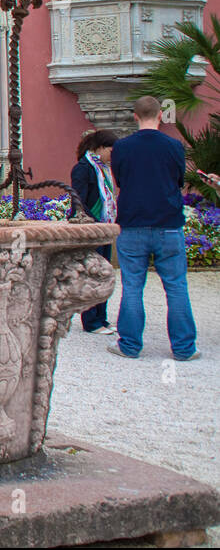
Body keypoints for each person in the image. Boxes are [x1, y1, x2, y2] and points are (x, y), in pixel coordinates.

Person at [107, 96, 202, 361]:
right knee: (176, 287)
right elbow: (180, 179)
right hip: (168, 224)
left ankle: (129, 345)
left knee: (133, 285)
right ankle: (184, 349)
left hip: (133, 223)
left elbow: (120, 179)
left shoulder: (122, 148)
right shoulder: (173, 146)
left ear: (135, 116)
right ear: (161, 115)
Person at [70, 129, 117, 334]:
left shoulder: (103, 169)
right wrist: (92, 222)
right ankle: (91, 321)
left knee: (104, 274)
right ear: (99, 148)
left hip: (104, 227)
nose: (112, 156)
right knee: (91, 275)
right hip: (91, 227)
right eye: (110, 150)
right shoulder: (83, 168)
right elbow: (79, 200)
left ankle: (102, 317)